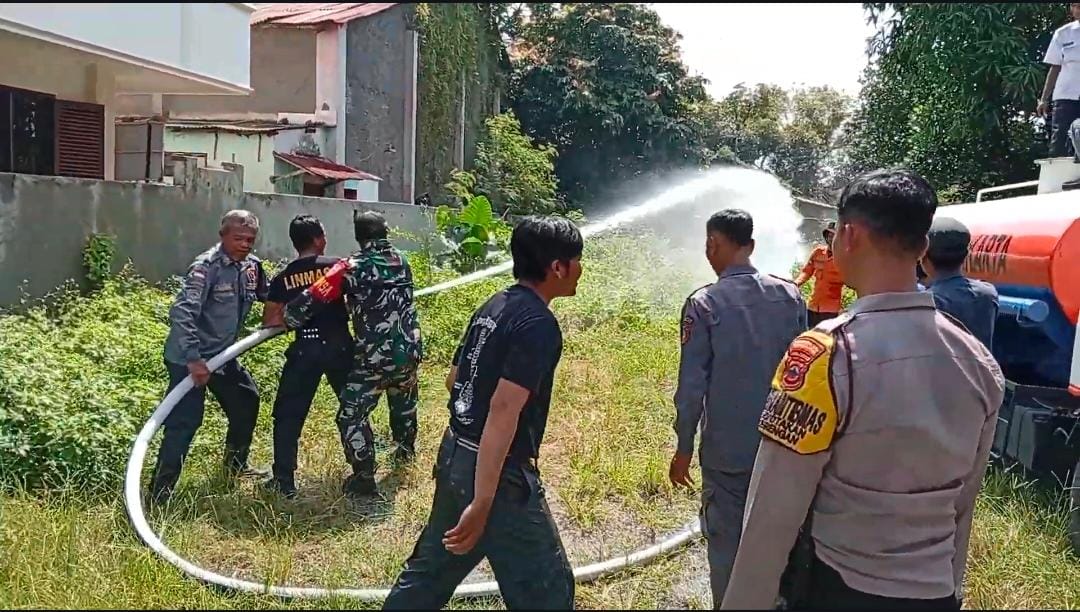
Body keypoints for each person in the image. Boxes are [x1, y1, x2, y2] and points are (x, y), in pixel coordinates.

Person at [721, 169, 1005, 610]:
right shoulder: (979, 363)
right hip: (935, 594)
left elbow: (771, 513)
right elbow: (962, 508)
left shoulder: (825, 355)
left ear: (848, 237)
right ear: (922, 248)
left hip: (840, 588)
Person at [382, 216, 582, 610]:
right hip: (500, 476)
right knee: (548, 591)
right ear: (557, 267)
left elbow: (454, 378)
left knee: (429, 574)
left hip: (456, 452)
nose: (581, 269)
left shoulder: (495, 305)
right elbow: (504, 411)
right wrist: (484, 499)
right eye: (577, 259)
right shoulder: (538, 324)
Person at [669, 209, 807, 607]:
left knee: (727, 542)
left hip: (727, 451)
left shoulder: (704, 303)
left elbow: (692, 386)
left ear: (714, 244)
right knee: (781, 535)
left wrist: (683, 447)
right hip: (782, 445)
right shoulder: (790, 295)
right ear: (751, 245)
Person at [284, 210, 423, 498]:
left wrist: (289, 315)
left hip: (374, 356)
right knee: (403, 401)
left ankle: (364, 476)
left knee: (351, 415)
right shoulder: (402, 260)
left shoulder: (350, 267)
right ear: (386, 233)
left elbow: (308, 302)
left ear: (359, 238)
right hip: (409, 349)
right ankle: (405, 453)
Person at [149, 209, 270, 503]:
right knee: (184, 422)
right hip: (189, 359)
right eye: (238, 238)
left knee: (246, 401)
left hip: (223, 356)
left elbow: (270, 295)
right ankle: (159, 493)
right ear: (223, 236)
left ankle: (235, 466)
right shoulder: (206, 268)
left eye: (250, 239)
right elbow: (182, 314)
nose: (245, 244)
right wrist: (194, 360)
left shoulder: (252, 267)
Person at [261, 215, 353, 499]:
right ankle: (363, 473)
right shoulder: (338, 268)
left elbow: (271, 321)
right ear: (317, 239)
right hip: (340, 347)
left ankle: (283, 479)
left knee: (288, 415)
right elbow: (358, 303)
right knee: (353, 410)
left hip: (305, 350)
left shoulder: (283, 277)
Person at [923, 216, 1000, 350]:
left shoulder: (927, 301)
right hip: (982, 370)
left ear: (924, 258)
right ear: (966, 255)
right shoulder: (988, 293)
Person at [1039, 3, 1080, 158]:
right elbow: (1054, 67)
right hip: (1066, 95)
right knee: (1060, 141)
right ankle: (1057, 179)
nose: (1077, 10)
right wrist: (1043, 99)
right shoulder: (1063, 33)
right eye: (1074, 6)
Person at [794, 221, 844, 327]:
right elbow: (806, 272)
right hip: (813, 307)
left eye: (833, 235)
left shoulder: (844, 258)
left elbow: (853, 281)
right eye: (829, 235)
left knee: (826, 340)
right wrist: (795, 284)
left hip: (830, 310)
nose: (831, 238)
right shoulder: (818, 252)